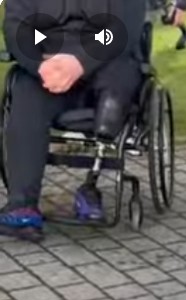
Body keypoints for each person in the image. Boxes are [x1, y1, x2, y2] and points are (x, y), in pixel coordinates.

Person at [0, 0, 146, 240]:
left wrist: (80, 61)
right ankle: (22, 207)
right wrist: (41, 65)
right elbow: (19, 28)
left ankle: (93, 182)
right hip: (49, 66)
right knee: (25, 95)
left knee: (116, 92)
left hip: (107, 61)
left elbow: (119, 28)